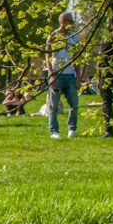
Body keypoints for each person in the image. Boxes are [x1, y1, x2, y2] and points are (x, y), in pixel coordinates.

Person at [46, 11, 80, 139]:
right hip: (57, 74)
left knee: (74, 104)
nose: (71, 24)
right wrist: (51, 74)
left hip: (70, 74)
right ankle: (54, 131)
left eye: (72, 21)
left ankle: (72, 128)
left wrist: (79, 75)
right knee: (54, 105)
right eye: (69, 21)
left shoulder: (74, 37)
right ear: (62, 22)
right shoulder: (53, 36)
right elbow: (47, 55)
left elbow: (77, 57)